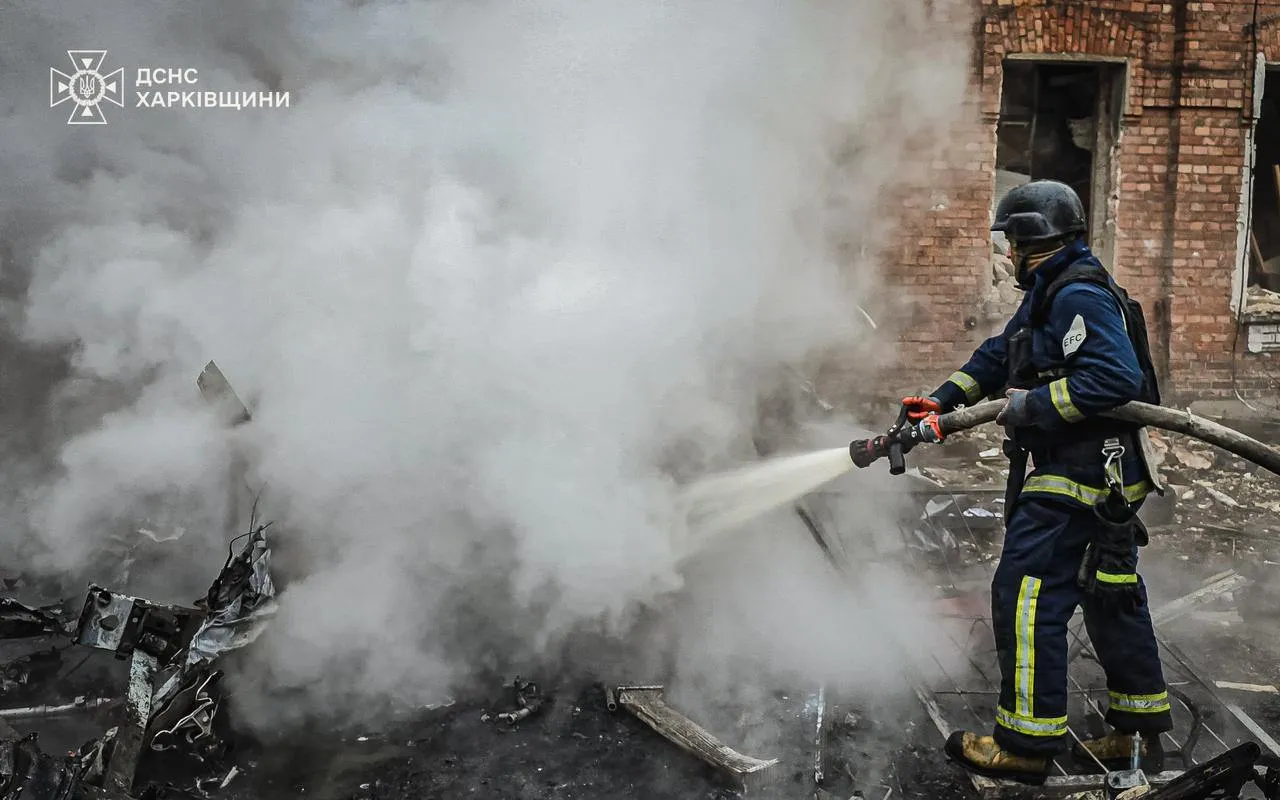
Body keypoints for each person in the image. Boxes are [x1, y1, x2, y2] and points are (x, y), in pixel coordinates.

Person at [904, 180, 1173, 784]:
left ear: (1033, 240)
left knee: (1025, 595)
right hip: (1106, 475)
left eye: (1011, 242)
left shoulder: (1079, 295)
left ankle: (1025, 745)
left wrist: (1030, 410)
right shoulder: (1055, 291)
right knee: (1110, 599)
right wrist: (941, 403)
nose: (1006, 254)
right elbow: (1002, 354)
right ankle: (1139, 735)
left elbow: (1113, 379)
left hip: (1081, 476)